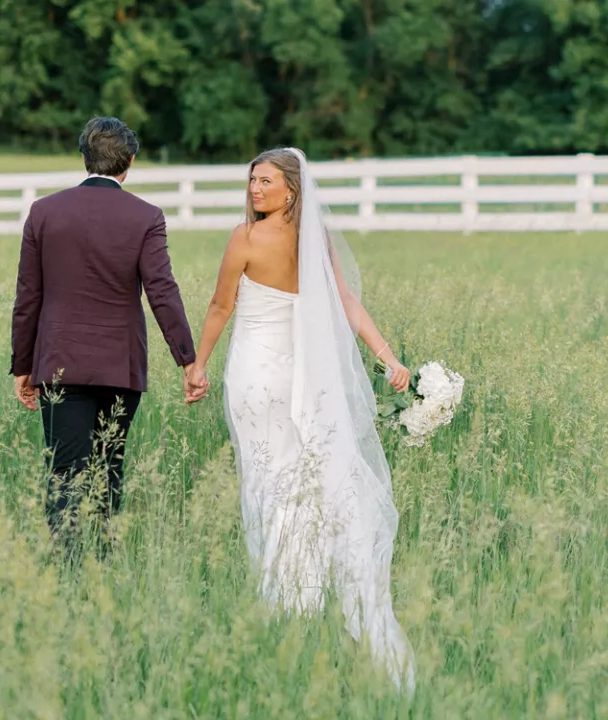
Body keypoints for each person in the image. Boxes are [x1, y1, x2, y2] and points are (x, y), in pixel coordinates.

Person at [184, 147, 416, 688]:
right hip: (295, 379)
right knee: (300, 481)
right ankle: (302, 591)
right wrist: (385, 355)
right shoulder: (314, 243)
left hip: (257, 376)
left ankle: (287, 595)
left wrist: (199, 365)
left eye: (265, 181)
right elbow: (347, 304)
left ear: (292, 188)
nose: (254, 190)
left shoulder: (245, 239)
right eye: (251, 181)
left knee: (272, 483)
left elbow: (222, 307)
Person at [9, 116, 203, 554]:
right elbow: (162, 292)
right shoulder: (146, 216)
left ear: (84, 158)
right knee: (108, 467)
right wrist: (187, 360)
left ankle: (66, 567)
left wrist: (23, 365)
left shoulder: (44, 211)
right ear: (129, 162)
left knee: (63, 471)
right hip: (120, 366)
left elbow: (28, 297)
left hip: (58, 363)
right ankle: (103, 559)